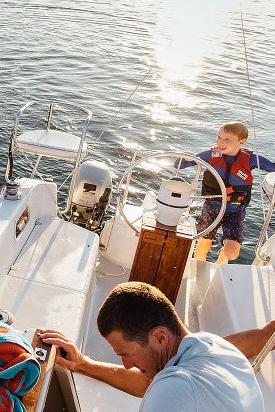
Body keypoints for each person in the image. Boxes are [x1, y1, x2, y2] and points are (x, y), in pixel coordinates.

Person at [40, 282, 266, 411]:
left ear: (159, 337)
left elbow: (167, 388)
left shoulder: (176, 388)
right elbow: (143, 383)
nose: (127, 365)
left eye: (126, 354)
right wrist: (83, 364)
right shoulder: (213, 345)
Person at [178, 122, 275, 264]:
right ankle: (198, 271)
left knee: (232, 254)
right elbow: (179, 165)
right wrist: (184, 159)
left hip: (236, 210)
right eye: (219, 137)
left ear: (242, 141)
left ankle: (220, 262)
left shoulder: (251, 159)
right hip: (211, 207)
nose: (220, 142)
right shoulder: (211, 154)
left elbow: (272, 167)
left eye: (227, 139)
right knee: (203, 245)